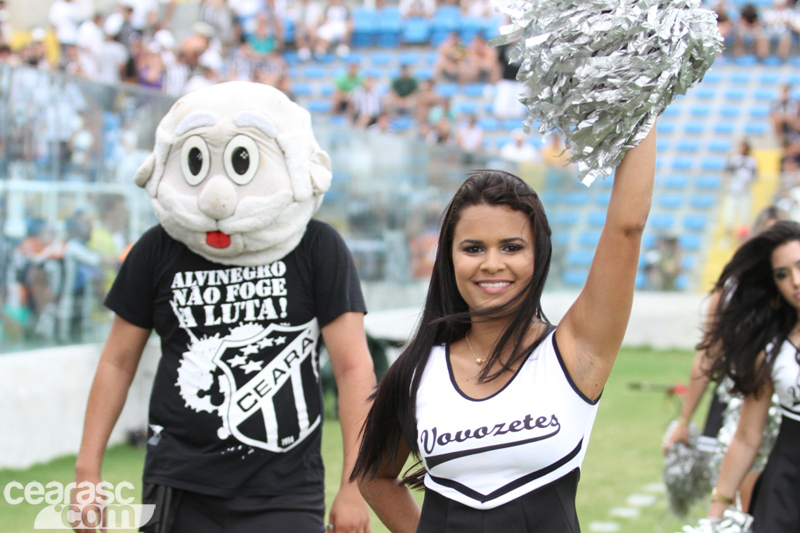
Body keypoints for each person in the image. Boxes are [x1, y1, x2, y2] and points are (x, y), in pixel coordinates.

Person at [71, 82, 374, 533]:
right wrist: (86, 470)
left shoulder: (316, 246)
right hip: (177, 480)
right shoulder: (157, 249)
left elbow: (353, 367)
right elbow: (117, 361)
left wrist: (355, 484)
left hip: (284, 486)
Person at [352, 124, 657, 531]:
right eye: (473, 248)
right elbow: (375, 476)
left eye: (512, 247)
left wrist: (645, 97)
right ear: (450, 259)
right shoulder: (415, 373)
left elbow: (628, 226)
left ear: (538, 255)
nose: (492, 264)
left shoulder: (575, 353)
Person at [663, 205, 790, 512]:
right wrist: (684, 421)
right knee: (736, 500)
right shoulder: (731, 291)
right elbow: (708, 356)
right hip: (736, 407)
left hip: (786, 413)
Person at [701, 220, 800, 531]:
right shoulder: (773, 350)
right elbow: (746, 438)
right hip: (786, 489)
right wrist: (715, 515)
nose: (795, 281)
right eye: (782, 275)